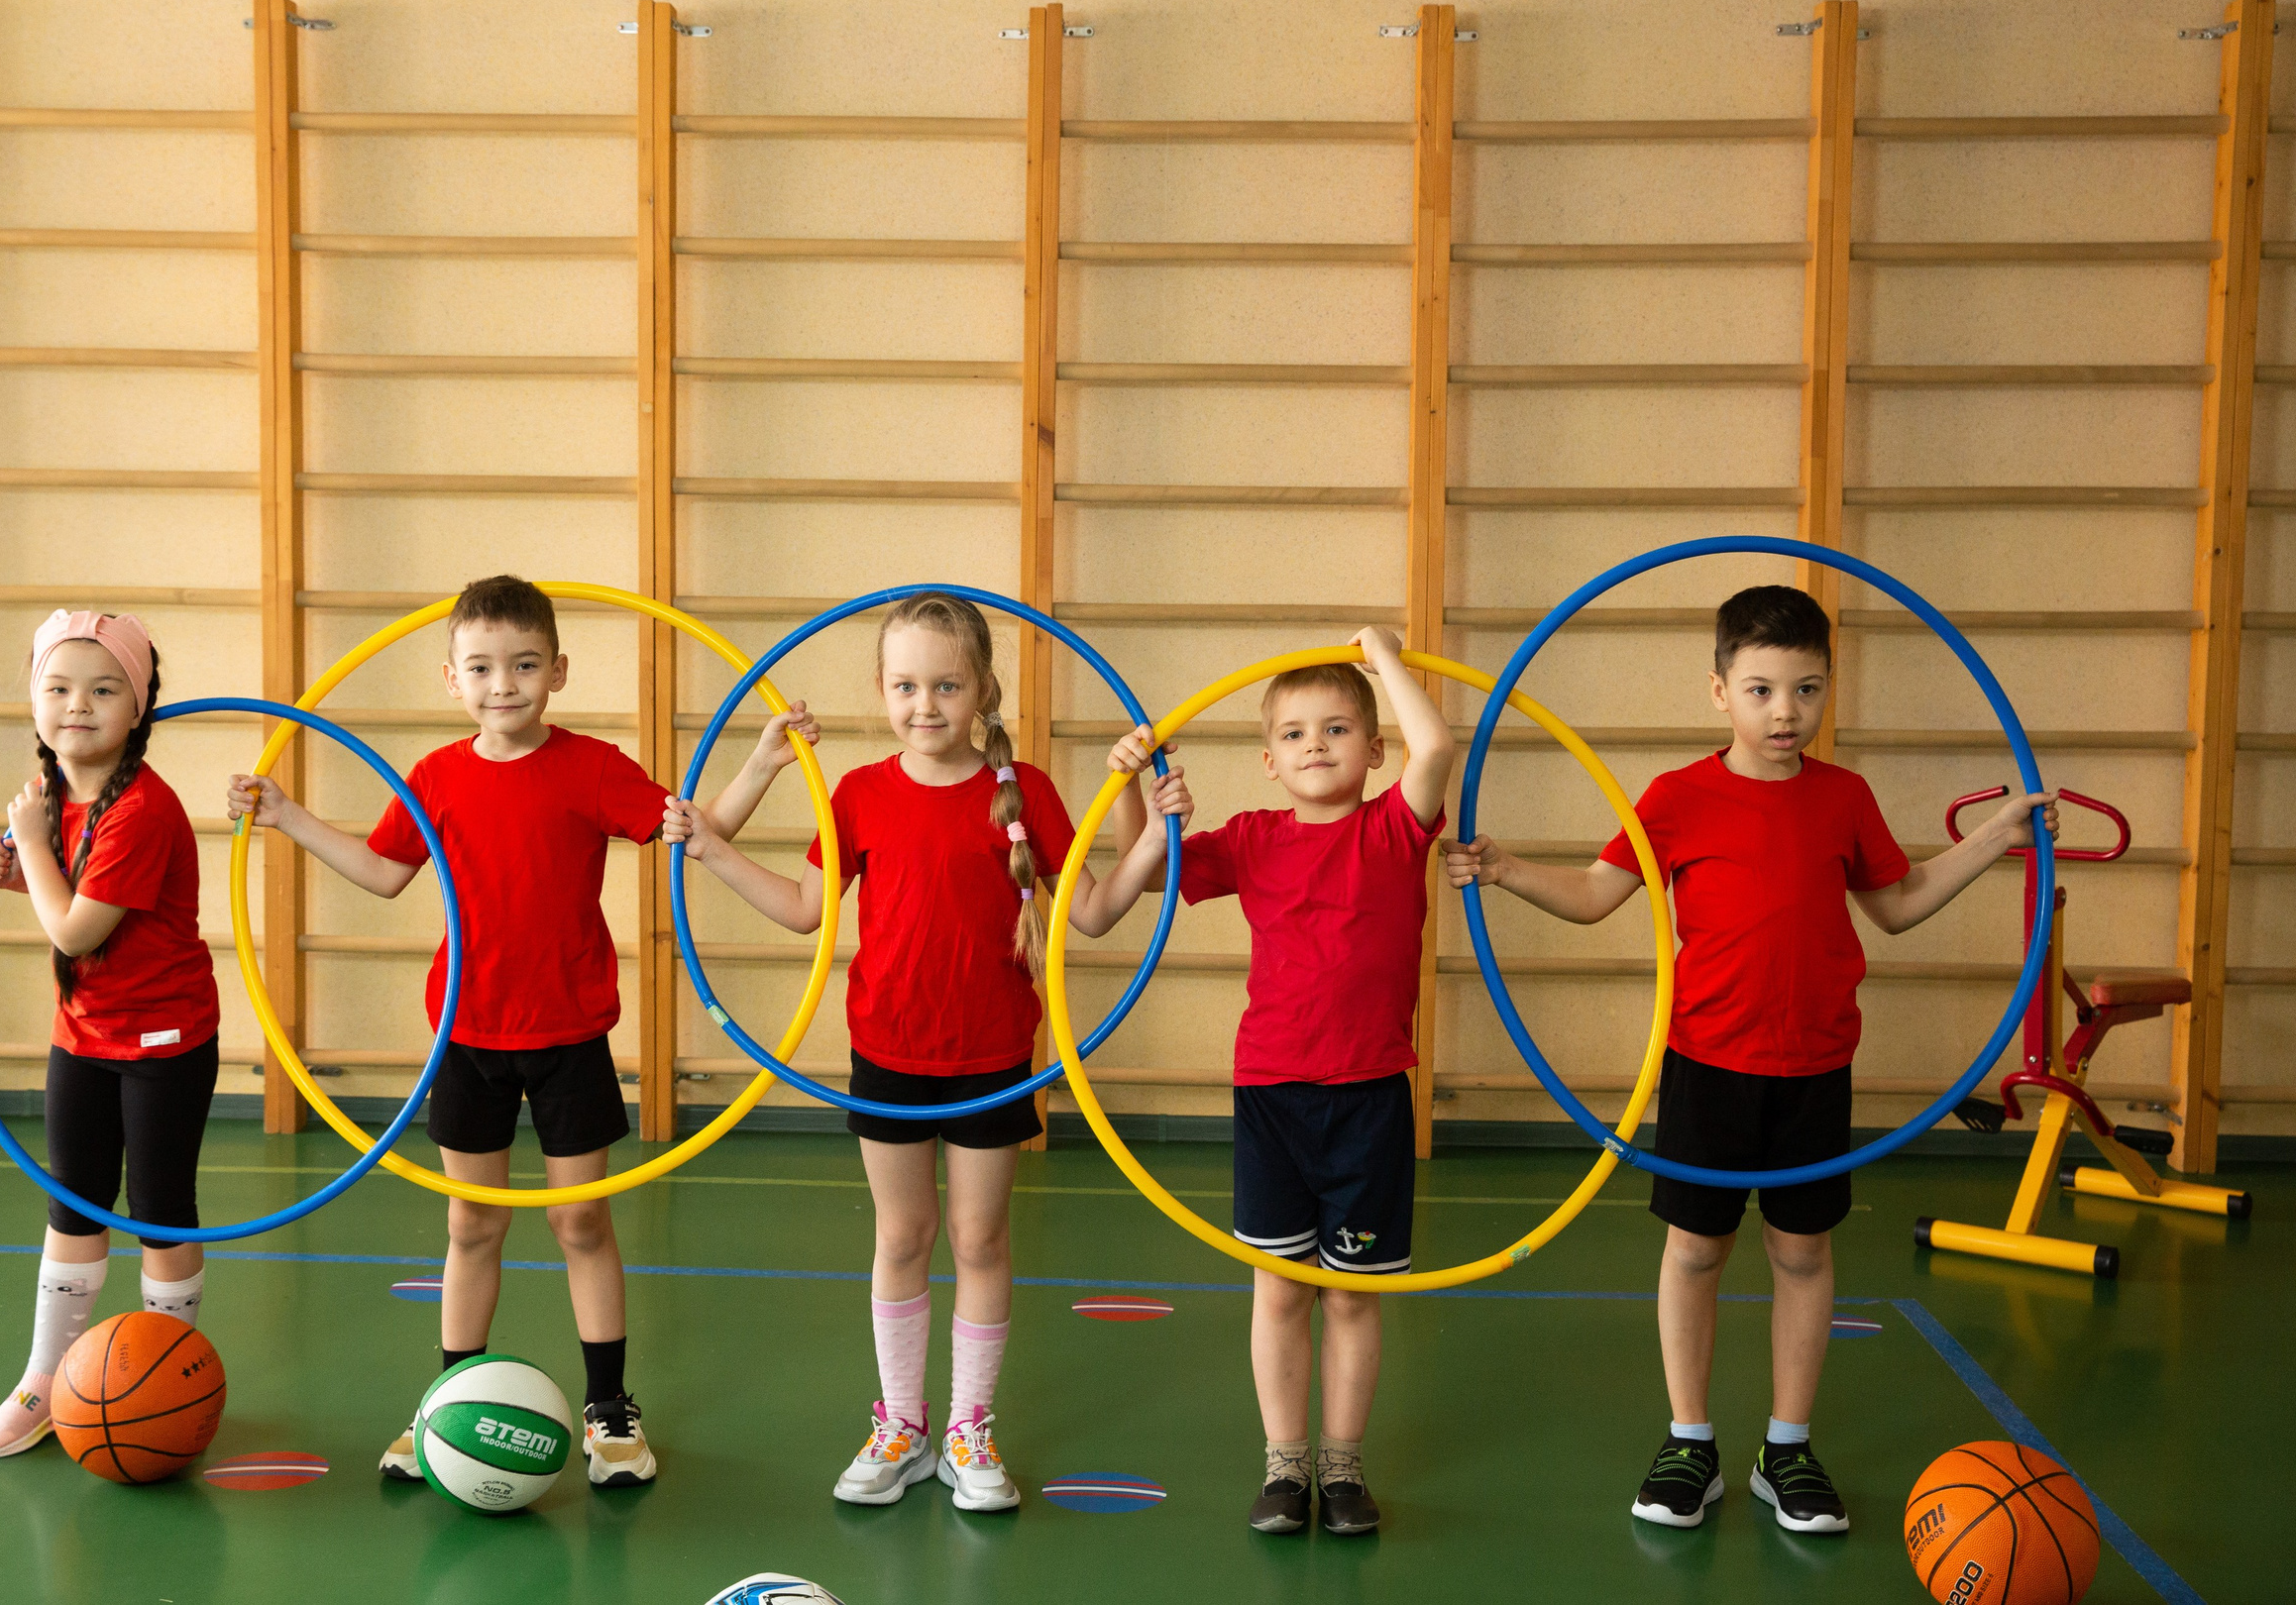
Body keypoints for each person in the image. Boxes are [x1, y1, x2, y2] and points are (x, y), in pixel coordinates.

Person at [1445, 585, 2058, 1536]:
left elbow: (1895, 904)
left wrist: (1995, 837)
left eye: (1807, 690)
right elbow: (1597, 894)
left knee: (1803, 1252)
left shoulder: (1843, 797)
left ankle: (1787, 1447)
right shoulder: (1679, 798)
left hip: (1815, 1066)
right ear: (1721, 690)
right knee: (1695, 1250)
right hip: (1707, 1064)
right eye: (1764, 689)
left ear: (1827, 692)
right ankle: (1691, 1441)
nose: (1787, 712)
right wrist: (1503, 868)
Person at [229, 575, 809, 1492]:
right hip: (468, 1035)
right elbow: (384, 874)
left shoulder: (591, 767)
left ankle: (610, 1409)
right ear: (450, 677)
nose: (505, 684)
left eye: (525, 664)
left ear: (559, 671)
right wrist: (288, 815)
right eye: (483, 667)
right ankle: (447, 1402)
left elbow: (692, 830)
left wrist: (761, 765)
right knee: (473, 1227)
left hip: (570, 1034)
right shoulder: (436, 777)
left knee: (582, 1220)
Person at [665, 591, 1185, 1513]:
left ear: (983, 688)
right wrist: (707, 848)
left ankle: (968, 1430)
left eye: (947, 684)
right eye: (906, 685)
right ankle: (900, 1423)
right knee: (901, 1236)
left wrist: (1148, 811)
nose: (926, 704)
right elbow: (802, 909)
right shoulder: (861, 792)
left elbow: (1097, 915)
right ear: (880, 688)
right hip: (890, 1052)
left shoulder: (1021, 791)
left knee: (979, 1238)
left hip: (989, 1054)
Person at [1112, 625, 1456, 1539]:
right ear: (1268, 761)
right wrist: (1136, 790)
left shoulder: (1395, 824)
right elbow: (1150, 876)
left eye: (1339, 729)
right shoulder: (1254, 839)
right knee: (1279, 1286)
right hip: (1271, 1097)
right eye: (1297, 734)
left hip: (1370, 1096)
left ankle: (1342, 1468)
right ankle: (1284, 1467)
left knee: (1351, 1292)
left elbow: (1442, 747)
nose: (1316, 745)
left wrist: (1381, 655)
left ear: (1375, 752)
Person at [0, 610, 222, 1459]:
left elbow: (76, 931)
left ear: (140, 708)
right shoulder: (55, 800)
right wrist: (13, 872)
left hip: (164, 1044)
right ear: (34, 701)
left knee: (159, 1214)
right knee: (72, 1204)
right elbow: (65, 900)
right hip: (82, 1036)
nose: (79, 704)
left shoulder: (142, 809)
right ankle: (44, 1381)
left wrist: (31, 851)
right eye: (59, 687)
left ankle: (165, 1375)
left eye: (105, 689)